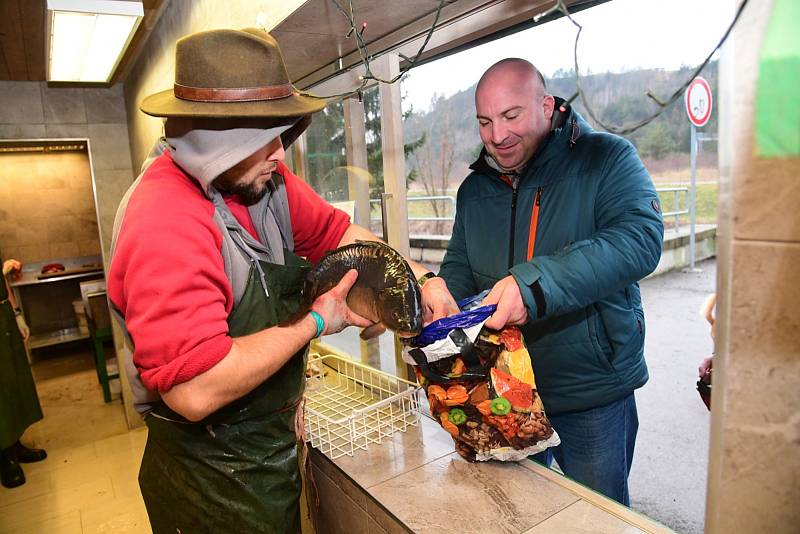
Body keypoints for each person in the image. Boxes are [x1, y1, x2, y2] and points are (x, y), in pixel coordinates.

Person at [107, 28, 455, 533]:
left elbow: (341, 236)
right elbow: (195, 389)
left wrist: (417, 279)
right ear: (214, 140)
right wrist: (315, 321)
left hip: (266, 449)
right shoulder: (164, 219)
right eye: (262, 134)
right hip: (207, 478)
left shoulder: (262, 181)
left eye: (280, 131)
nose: (279, 150)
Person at [437, 58, 664, 505]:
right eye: (485, 121)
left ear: (546, 105)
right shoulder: (474, 189)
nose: (497, 136)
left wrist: (533, 286)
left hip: (589, 391)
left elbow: (640, 239)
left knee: (598, 516)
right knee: (520, 511)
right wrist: (442, 295)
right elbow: (460, 262)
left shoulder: (607, 159)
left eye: (511, 116)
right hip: (502, 392)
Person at [1, 258, 47, 489]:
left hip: (4, 317)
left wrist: (16, 313)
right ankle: (5, 458)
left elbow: (4, 285)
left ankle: (15, 445)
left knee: (15, 382)